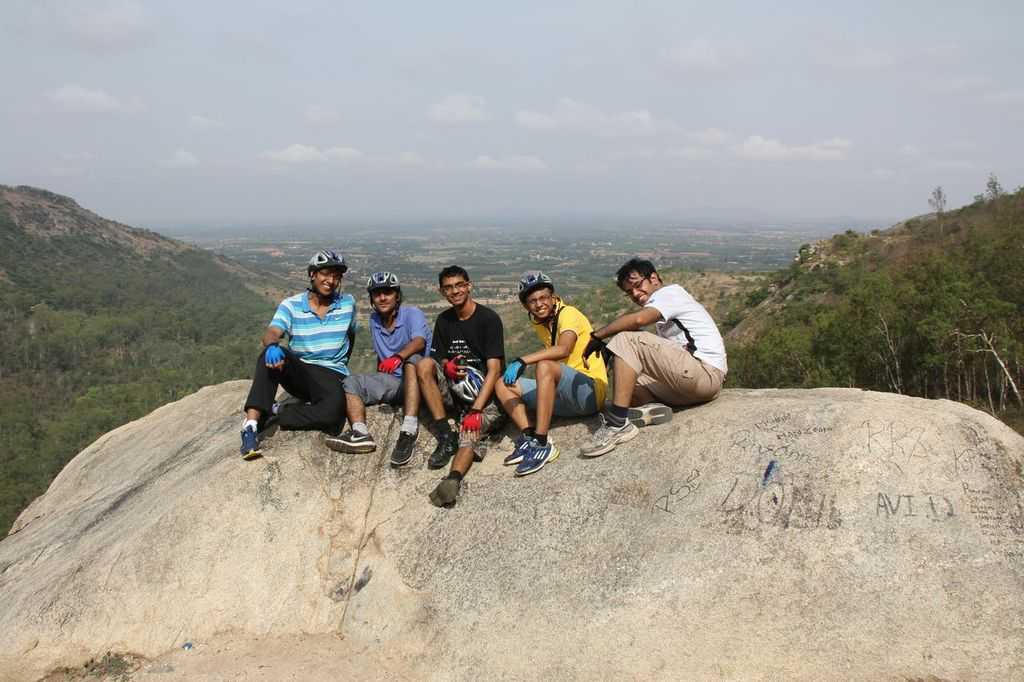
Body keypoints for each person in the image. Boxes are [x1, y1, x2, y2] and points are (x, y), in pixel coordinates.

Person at [580, 258, 727, 458]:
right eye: (629, 292)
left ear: (654, 278)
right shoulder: (665, 305)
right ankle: (649, 409)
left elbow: (639, 320)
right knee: (629, 377)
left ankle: (618, 425)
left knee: (626, 339)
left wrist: (598, 335)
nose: (635, 294)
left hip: (705, 373)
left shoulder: (670, 293)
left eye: (638, 285)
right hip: (691, 384)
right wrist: (615, 355)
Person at [239, 249, 356, 459]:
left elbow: (351, 338)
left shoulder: (348, 304)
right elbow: (272, 332)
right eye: (325, 274)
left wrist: (339, 365)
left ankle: (275, 412)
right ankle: (251, 425)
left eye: (336, 276)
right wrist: (272, 346)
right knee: (271, 353)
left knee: (333, 416)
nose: (331, 280)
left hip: (331, 374)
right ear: (312, 274)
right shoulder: (291, 305)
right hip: (301, 371)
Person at [494, 271, 608, 476]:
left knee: (544, 365)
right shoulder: (541, 323)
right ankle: (529, 437)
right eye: (532, 301)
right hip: (564, 395)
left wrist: (522, 360)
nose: (539, 304)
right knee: (502, 383)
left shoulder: (568, 314)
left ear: (553, 297)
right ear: (525, 305)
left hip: (588, 392)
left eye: (543, 298)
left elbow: (564, 349)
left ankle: (542, 443)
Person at [415, 266, 505, 507]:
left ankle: (453, 479)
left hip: (483, 397)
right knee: (423, 365)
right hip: (455, 391)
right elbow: (439, 357)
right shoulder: (444, 320)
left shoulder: (488, 319)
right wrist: (447, 366)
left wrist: (476, 410)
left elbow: (495, 369)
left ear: (468, 286)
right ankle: (445, 434)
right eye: (448, 287)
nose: (454, 291)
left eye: (458, 285)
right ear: (442, 291)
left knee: (469, 434)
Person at [327, 271, 431, 467]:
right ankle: (360, 432)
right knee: (351, 381)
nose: (382, 298)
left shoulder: (412, 314)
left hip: (420, 381)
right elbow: (381, 356)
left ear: (397, 295)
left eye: (388, 293)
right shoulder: (375, 320)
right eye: (377, 294)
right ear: (372, 298)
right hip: (395, 384)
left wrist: (398, 357)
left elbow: (419, 342)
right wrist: (377, 381)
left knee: (413, 360)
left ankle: (408, 429)